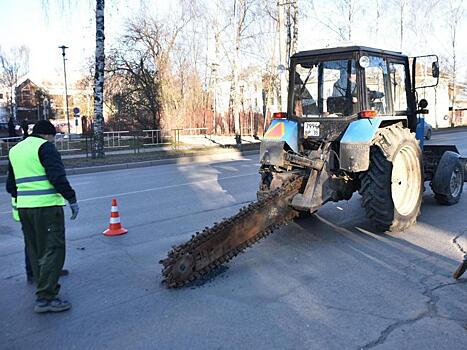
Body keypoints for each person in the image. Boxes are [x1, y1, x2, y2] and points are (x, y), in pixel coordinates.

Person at [6, 120, 79, 313]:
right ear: (48, 135)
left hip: (25, 209)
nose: (53, 141)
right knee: (53, 249)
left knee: (35, 248)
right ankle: (46, 298)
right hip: (46, 208)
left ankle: (42, 278)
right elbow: (57, 177)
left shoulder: (16, 150)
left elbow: (10, 186)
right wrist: (71, 198)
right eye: (53, 137)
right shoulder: (45, 148)